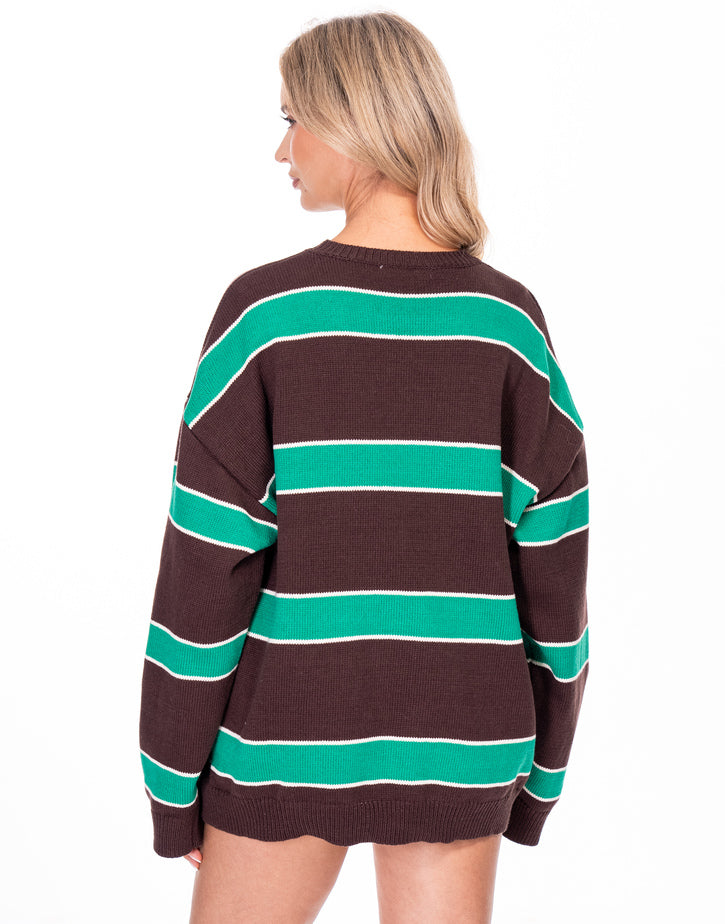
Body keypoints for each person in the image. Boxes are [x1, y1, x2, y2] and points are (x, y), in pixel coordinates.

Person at [138, 11, 590, 923]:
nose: (281, 150)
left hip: (287, 738)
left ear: (352, 122)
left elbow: (206, 568)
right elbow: (554, 568)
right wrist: (540, 771)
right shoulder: (507, 326)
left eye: (290, 119)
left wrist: (172, 777)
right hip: (464, 741)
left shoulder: (266, 316)